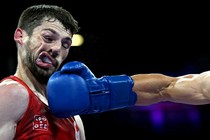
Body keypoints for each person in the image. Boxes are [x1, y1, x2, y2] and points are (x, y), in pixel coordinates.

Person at [0, 4, 85, 140]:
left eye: (65, 44)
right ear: (20, 36)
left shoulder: (73, 116)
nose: (57, 48)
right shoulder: (10, 94)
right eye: (48, 38)